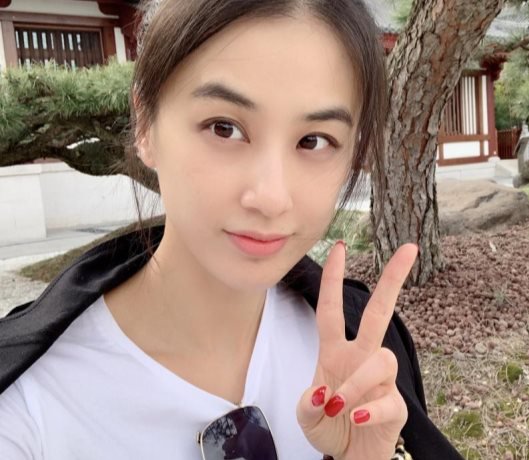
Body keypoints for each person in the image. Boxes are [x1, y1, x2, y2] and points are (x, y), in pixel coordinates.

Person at [0, 1, 463, 459]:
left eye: (314, 140)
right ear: (145, 123)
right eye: (224, 128)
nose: (271, 197)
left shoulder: (363, 351)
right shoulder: (28, 404)